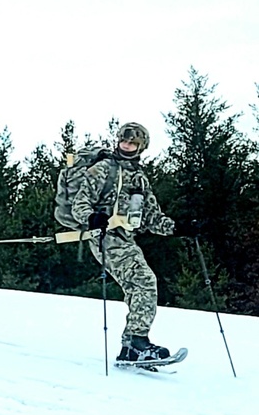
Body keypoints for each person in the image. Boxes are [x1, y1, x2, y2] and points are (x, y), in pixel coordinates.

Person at [71, 121, 190, 362]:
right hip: (105, 237)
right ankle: (138, 342)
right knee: (144, 281)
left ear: (141, 146)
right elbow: (79, 205)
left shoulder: (139, 178)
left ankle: (130, 348)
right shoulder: (103, 169)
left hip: (126, 238)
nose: (127, 146)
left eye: (133, 142)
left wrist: (178, 227)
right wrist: (92, 217)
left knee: (137, 287)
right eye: (124, 141)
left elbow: (150, 218)